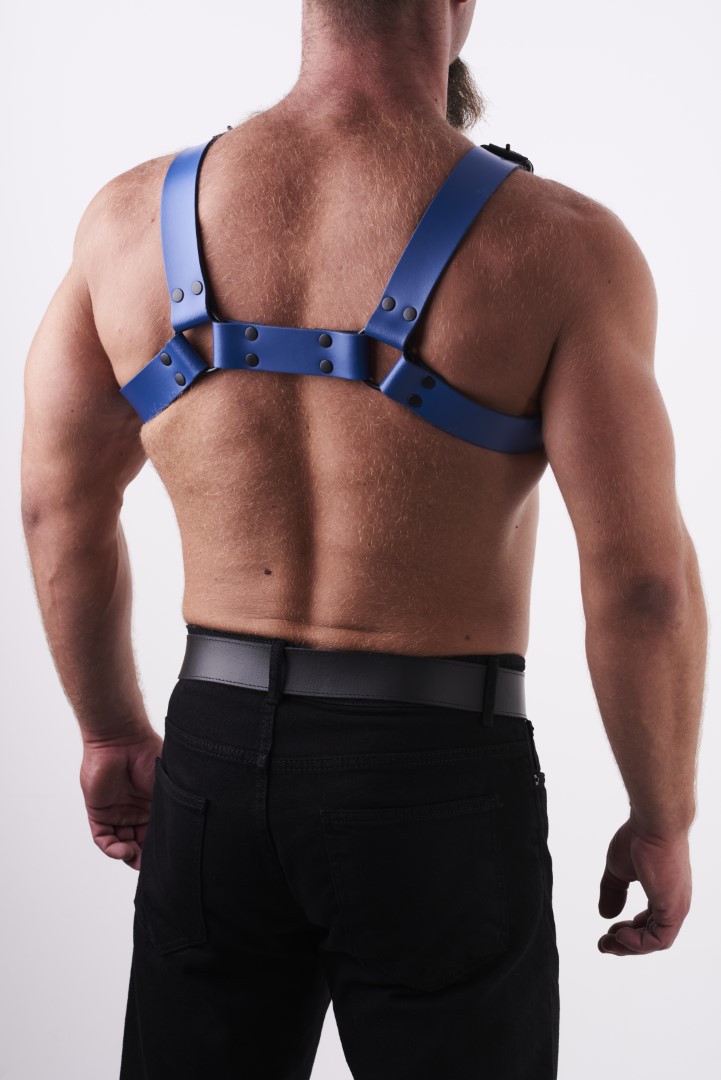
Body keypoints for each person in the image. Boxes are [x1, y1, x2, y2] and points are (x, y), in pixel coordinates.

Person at [20, 1, 706, 1077]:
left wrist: (110, 732)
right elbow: (642, 585)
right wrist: (661, 817)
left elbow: (55, 507)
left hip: (213, 763)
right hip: (436, 774)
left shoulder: (128, 221)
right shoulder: (561, 247)